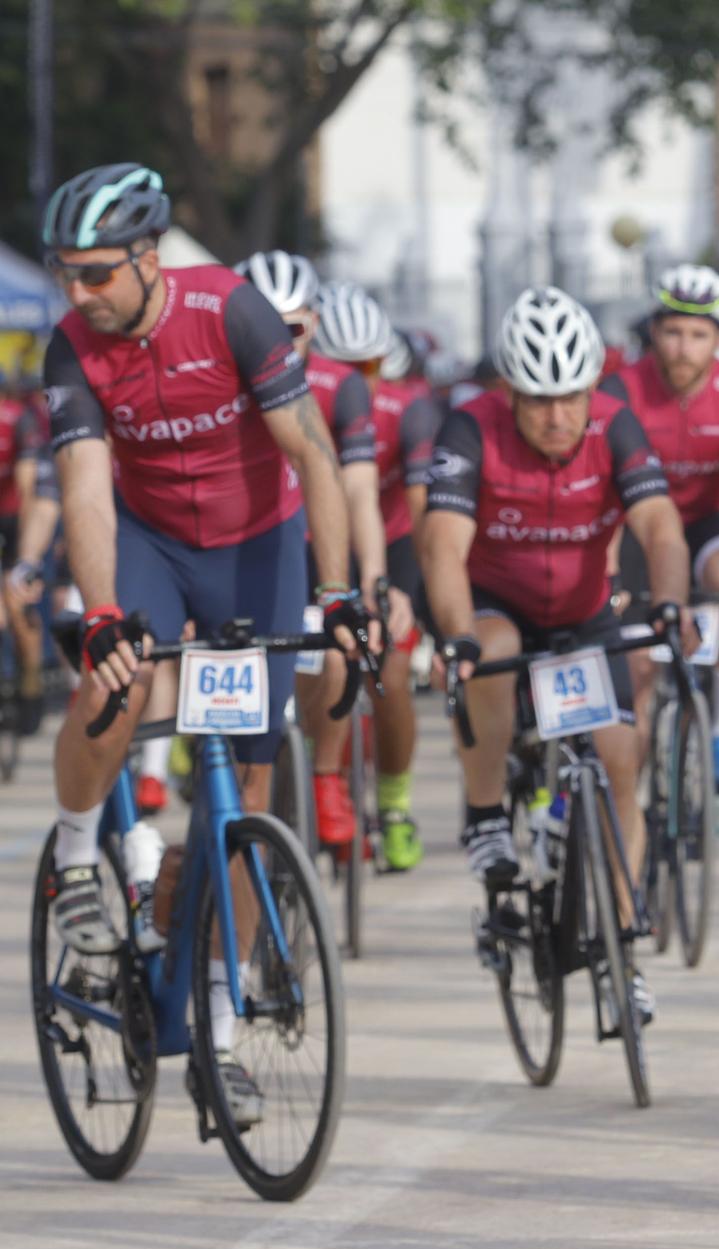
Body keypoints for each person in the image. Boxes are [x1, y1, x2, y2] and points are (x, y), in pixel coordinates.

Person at [39, 163, 364, 1128]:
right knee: (115, 688)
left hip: (259, 545)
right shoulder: (70, 350)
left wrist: (341, 593)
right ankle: (73, 859)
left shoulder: (233, 311)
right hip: (150, 545)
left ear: (147, 258)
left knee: (249, 795)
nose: (79, 292)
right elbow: (87, 490)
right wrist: (103, 613)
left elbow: (313, 450)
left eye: (97, 272)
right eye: (67, 273)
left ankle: (220, 1035)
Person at [422, 286, 691, 1021]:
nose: (556, 415)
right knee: (493, 649)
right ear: (508, 389)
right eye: (538, 399)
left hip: (582, 617)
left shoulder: (614, 426)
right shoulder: (469, 428)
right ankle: (483, 813)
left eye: (571, 395)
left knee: (619, 753)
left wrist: (669, 602)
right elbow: (443, 545)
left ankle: (620, 947)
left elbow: (660, 525)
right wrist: (456, 635)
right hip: (496, 607)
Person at [602, 264, 719, 791]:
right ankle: (621, 790)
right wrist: (609, 574)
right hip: (635, 532)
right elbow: (601, 490)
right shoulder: (620, 387)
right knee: (637, 676)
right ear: (653, 331)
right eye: (673, 331)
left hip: (707, 521)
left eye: (698, 335)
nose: (684, 347)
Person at [234, 255, 391, 851]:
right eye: (261, 329)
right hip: (241, 551)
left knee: (334, 656)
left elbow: (359, 490)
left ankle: (325, 774)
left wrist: (371, 579)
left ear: (315, 326)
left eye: (291, 331)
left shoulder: (340, 385)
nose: (276, 345)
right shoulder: (217, 381)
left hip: (311, 550)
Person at [319, 284, 438, 871]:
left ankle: (392, 805)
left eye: (367, 366)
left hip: (388, 543)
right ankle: (320, 779)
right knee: (322, 662)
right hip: (316, 542)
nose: (355, 380)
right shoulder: (294, 399)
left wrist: (412, 595)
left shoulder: (406, 408)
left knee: (387, 667)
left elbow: (420, 511)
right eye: (343, 367)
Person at [0, 366, 58, 730]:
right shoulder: (19, 414)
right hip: (16, 511)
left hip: (16, 516)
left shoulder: (19, 419)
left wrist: (23, 554)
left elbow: (26, 486)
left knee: (18, 606)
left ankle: (31, 686)